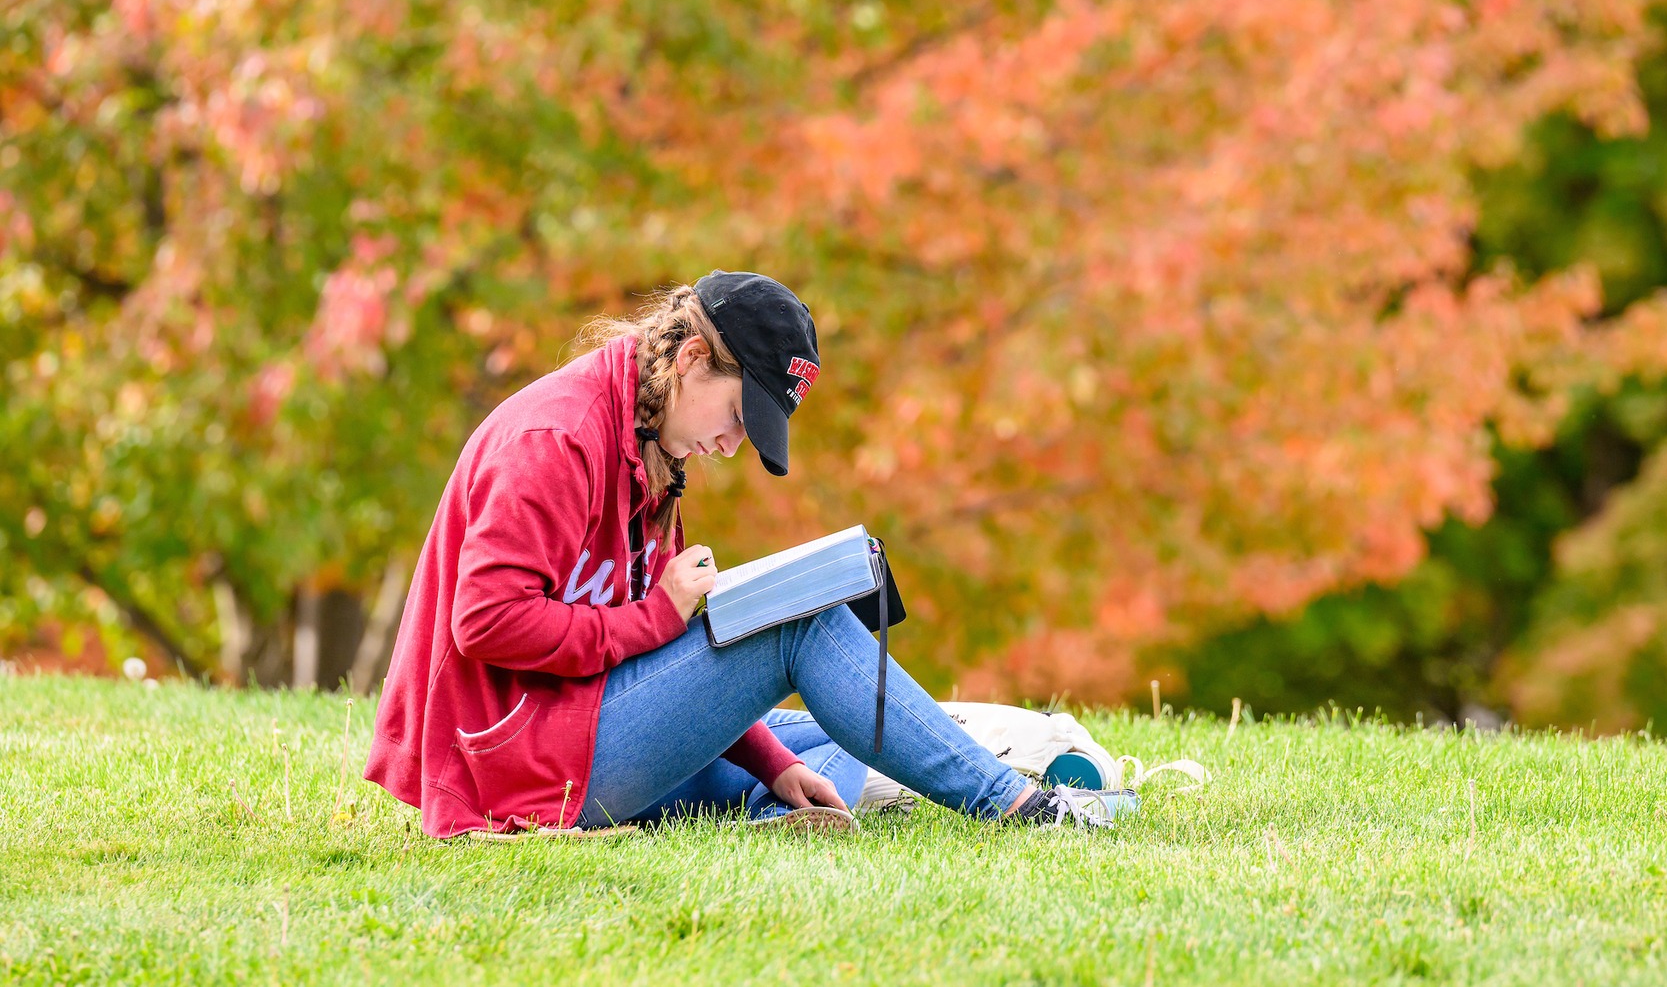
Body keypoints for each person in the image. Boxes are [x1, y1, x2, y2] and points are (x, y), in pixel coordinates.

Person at [363, 270, 1115, 836]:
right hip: (521, 762)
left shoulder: (649, 441)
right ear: (691, 359)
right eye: (736, 415)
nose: (729, 445)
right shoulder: (555, 438)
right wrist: (657, 617)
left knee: (821, 729)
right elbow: (487, 623)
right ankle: (1022, 807)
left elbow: (645, 658)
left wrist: (770, 763)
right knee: (806, 627)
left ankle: (782, 806)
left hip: (577, 729)